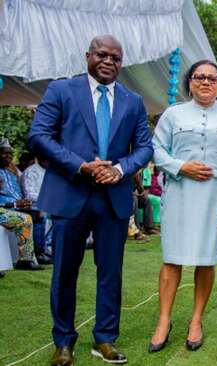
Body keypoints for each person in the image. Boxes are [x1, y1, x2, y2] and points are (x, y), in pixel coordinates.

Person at [29, 35, 153, 365]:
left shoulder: (133, 101)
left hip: (113, 198)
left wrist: (120, 168)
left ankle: (105, 340)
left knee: (110, 272)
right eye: (102, 55)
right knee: (65, 272)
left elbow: (144, 148)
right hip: (70, 192)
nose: (109, 62)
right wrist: (80, 165)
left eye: (116, 57)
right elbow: (39, 137)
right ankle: (63, 342)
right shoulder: (61, 90)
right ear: (88, 55)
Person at [149, 60, 217, 353]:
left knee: (206, 258)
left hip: (216, 195)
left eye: (212, 78)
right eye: (199, 77)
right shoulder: (173, 114)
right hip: (180, 192)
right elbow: (156, 149)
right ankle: (163, 320)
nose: (205, 82)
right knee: (172, 258)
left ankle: (196, 319)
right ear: (189, 82)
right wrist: (181, 166)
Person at [0, 139, 43, 269]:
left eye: (10, 153)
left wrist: (23, 203)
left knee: (38, 213)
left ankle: (39, 253)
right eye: (4, 153)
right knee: (25, 219)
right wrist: (13, 204)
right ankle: (25, 259)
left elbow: (17, 194)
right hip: (4, 210)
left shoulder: (11, 173)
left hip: (13, 208)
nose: (9, 156)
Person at [21, 154, 53, 262]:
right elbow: (29, 195)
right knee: (40, 215)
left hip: (47, 204)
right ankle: (39, 252)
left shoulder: (47, 171)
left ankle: (48, 248)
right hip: (33, 205)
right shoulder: (30, 171)